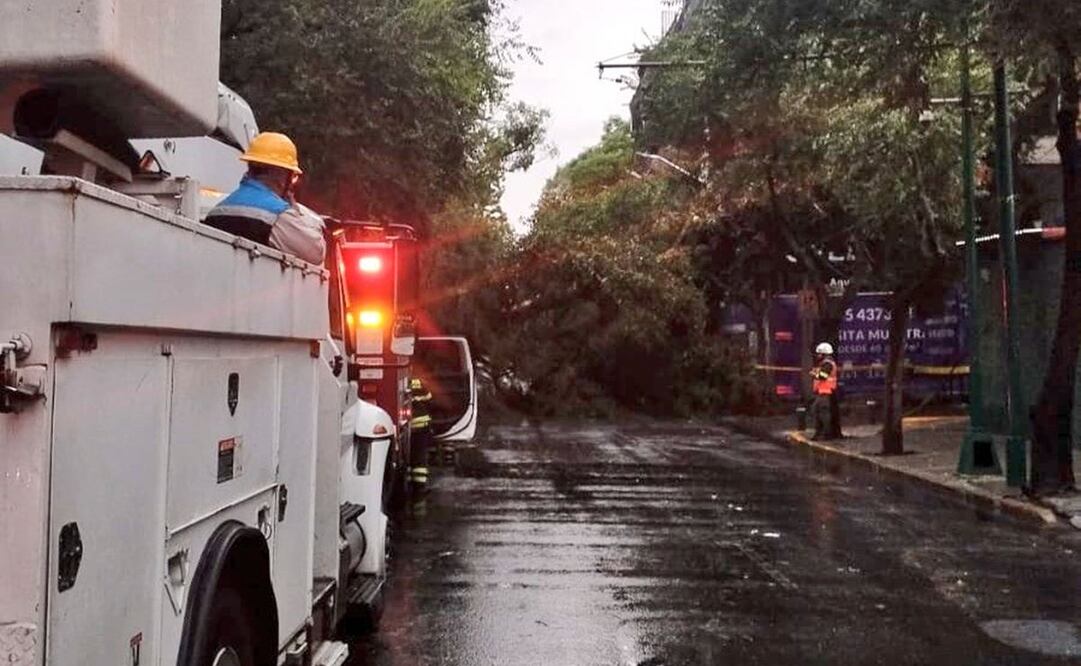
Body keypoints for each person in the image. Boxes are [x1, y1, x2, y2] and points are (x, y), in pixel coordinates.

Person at [204, 131, 326, 265]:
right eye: (292, 175)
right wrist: (296, 210)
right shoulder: (280, 216)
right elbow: (317, 253)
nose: (291, 183)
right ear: (280, 173)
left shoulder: (216, 211)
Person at [408, 377, 434, 495]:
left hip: (409, 427)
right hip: (422, 426)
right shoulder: (420, 382)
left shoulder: (406, 382)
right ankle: (419, 488)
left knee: (410, 457)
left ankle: (409, 484)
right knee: (419, 458)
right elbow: (429, 398)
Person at [810, 342, 839, 440]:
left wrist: (814, 374)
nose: (817, 355)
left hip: (826, 392)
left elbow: (823, 376)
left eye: (819, 353)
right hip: (822, 392)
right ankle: (820, 433)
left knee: (823, 413)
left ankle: (826, 433)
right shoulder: (824, 364)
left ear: (824, 353)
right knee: (816, 411)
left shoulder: (827, 364)